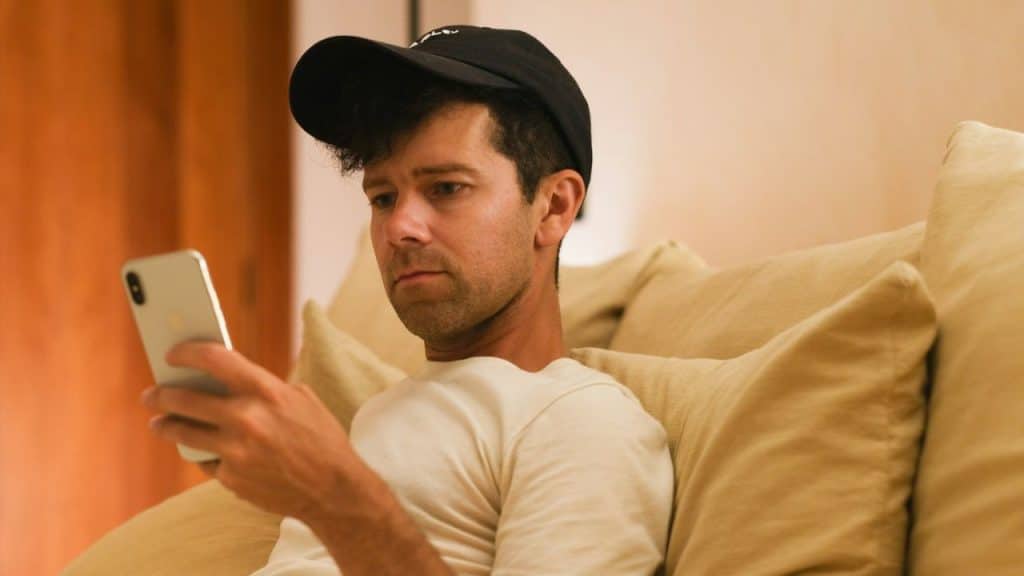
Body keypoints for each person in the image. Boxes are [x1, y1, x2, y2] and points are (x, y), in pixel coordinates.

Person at [141, 25, 673, 575]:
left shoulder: (581, 420)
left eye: (446, 188)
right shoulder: (381, 413)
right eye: (383, 196)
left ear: (554, 206)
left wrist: (337, 498)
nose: (399, 226)